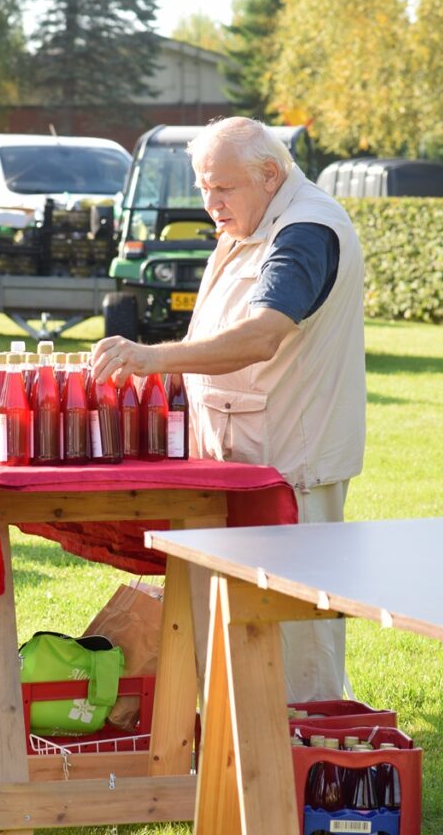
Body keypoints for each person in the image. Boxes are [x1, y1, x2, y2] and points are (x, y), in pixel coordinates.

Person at [92, 116, 366, 702]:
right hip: (235, 463)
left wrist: (150, 359)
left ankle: (306, 767)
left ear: (271, 174)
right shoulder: (255, 218)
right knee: (221, 627)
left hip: (287, 469)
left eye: (223, 187)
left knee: (290, 641)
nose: (210, 202)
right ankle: (220, 760)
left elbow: (263, 335)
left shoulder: (304, 231)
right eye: (203, 186)